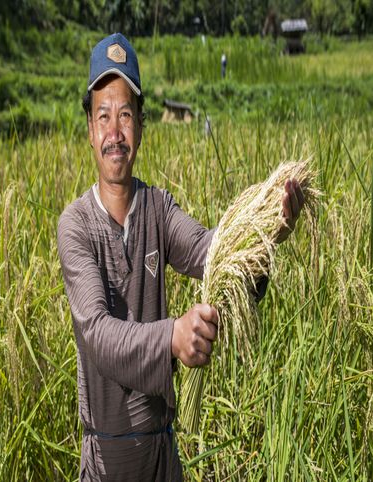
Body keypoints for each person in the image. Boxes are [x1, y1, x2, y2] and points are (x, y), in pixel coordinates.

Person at [57, 33, 304, 481]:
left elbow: (216, 253)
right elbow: (97, 334)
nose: (116, 133)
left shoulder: (159, 209)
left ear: (142, 127)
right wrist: (172, 337)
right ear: (91, 130)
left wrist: (270, 230)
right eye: (104, 116)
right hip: (106, 463)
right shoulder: (75, 226)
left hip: (161, 458)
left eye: (127, 116)